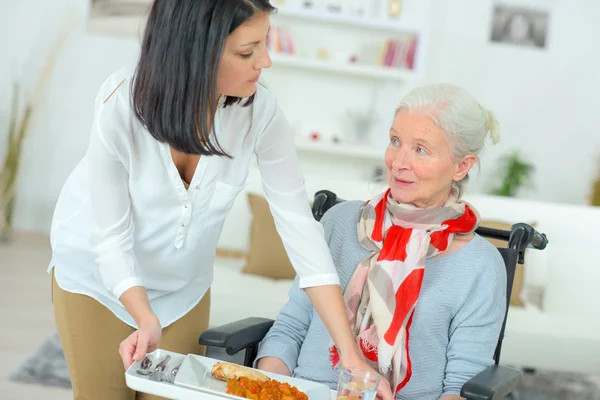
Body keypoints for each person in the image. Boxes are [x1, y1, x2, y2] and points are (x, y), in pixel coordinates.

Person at [48, 1, 389, 399]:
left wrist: (349, 354)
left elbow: (301, 229)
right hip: (99, 281)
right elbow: (109, 238)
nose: (265, 61)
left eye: (265, 43)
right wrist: (143, 316)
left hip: (182, 289)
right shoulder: (121, 102)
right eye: (247, 51)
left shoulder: (259, 112)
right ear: (197, 52)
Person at [255, 83, 507, 400]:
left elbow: (460, 386)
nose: (399, 162)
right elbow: (291, 328)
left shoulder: (480, 266)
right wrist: (268, 387)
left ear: (462, 166)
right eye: (395, 141)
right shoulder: (338, 223)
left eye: (420, 149)